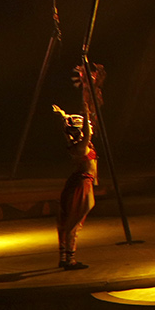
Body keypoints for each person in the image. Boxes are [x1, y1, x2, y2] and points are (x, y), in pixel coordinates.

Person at [52, 106, 94, 270]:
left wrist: (63, 116)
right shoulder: (81, 146)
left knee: (68, 220)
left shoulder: (74, 144)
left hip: (79, 182)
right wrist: (86, 114)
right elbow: (87, 133)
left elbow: (68, 132)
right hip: (82, 183)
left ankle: (64, 256)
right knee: (74, 222)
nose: (90, 128)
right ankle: (70, 260)